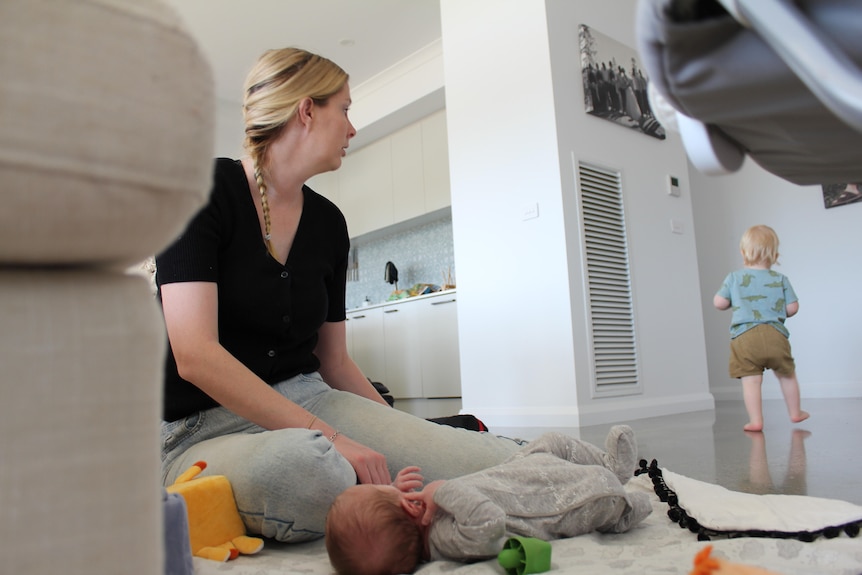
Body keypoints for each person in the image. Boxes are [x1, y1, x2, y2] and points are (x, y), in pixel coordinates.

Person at [155, 47, 524, 543]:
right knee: (311, 473)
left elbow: (335, 362)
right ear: (307, 110)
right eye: (345, 109)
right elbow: (195, 355)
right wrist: (334, 441)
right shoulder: (199, 191)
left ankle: (591, 472)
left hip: (314, 400)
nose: (352, 128)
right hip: (206, 426)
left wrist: (400, 436)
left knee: (500, 461)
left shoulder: (329, 223)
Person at [325, 426, 652, 575]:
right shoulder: (449, 542)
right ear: (410, 509)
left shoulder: (421, 519)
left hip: (514, 477)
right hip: (562, 500)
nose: (397, 488)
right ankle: (624, 505)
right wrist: (440, 489)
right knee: (601, 492)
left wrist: (396, 489)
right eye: (388, 491)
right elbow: (489, 522)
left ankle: (610, 464)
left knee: (549, 442)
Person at [713, 225, 809, 432]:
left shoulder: (734, 278)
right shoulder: (780, 279)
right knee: (787, 375)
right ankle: (795, 412)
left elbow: (719, 303)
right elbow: (793, 308)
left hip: (744, 338)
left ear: (743, 252)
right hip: (775, 336)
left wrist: (734, 302)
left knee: (751, 381)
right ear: (774, 254)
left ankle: (756, 421)